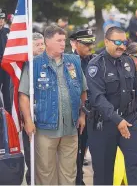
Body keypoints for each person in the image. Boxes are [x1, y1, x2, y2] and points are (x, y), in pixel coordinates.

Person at [19, 25, 87, 185]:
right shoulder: (34, 64)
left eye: (64, 40)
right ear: (47, 41)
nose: (63, 43)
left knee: (69, 172)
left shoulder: (73, 61)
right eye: (59, 40)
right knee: (46, 172)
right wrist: (28, 121)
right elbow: (23, 95)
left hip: (70, 127)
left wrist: (83, 115)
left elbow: (84, 90)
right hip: (45, 128)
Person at [86, 26, 137, 185]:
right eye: (117, 42)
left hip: (129, 120)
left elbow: (135, 92)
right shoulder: (95, 66)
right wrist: (117, 120)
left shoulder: (128, 61)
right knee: (104, 173)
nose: (122, 46)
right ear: (106, 41)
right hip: (104, 125)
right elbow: (98, 99)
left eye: (124, 42)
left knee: (136, 168)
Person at [69, 29, 96, 185]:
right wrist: (82, 114)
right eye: (86, 44)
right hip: (79, 114)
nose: (90, 46)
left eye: (91, 43)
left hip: (94, 112)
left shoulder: (92, 59)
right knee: (77, 152)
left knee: (90, 149)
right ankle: (78, 180)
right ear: (77, 43)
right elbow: (75, 90)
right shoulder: (70, 60)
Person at [22, 32, 46, 185]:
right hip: (30, 117)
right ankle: (31, 180)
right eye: (37, 44)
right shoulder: (24, 65)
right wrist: (26, 119)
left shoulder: (48, 62)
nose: (41, 47)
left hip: (46, 119)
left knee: (46, 159)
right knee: (31, 156)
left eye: (42, 44)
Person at [0, 8, 11, 114]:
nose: (1, 21)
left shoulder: (8, 32)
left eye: (2, 18)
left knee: (7, 90)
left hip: (6, 65)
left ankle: (9, 115)